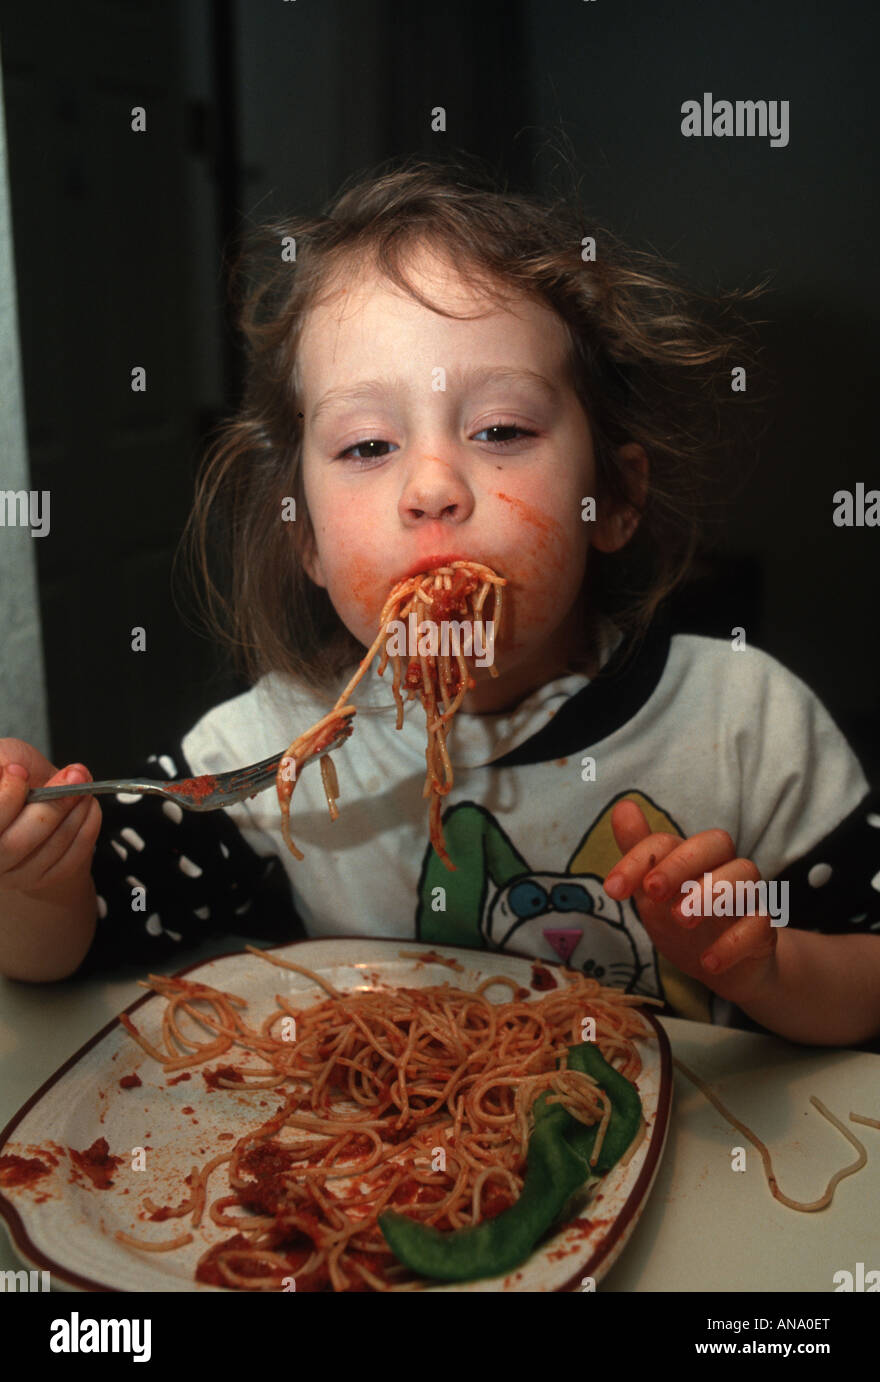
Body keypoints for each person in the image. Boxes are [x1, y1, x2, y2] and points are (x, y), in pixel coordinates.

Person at [1, 158, 878, 1048]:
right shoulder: (273, 757)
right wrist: (37, 883)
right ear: (305, 538)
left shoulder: (744, 723)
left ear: (611, 496)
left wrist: (761, 966)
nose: (431, 486)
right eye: (367, 445)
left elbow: (869, 973)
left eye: (499, 430)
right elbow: (76, 944)